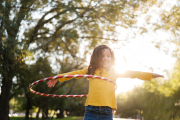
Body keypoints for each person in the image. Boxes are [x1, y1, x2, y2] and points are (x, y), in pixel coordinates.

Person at [47, 45, 164, 120]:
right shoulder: (91, 71)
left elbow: (134, 73)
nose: (106, 58)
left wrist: (151, 75)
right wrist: (58, 77)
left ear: (112, 58)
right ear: (96, 58)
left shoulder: (115, 72)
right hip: (91, 111)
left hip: (107, 112)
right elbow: (74, 73)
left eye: (108, 56)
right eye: (102, 56)